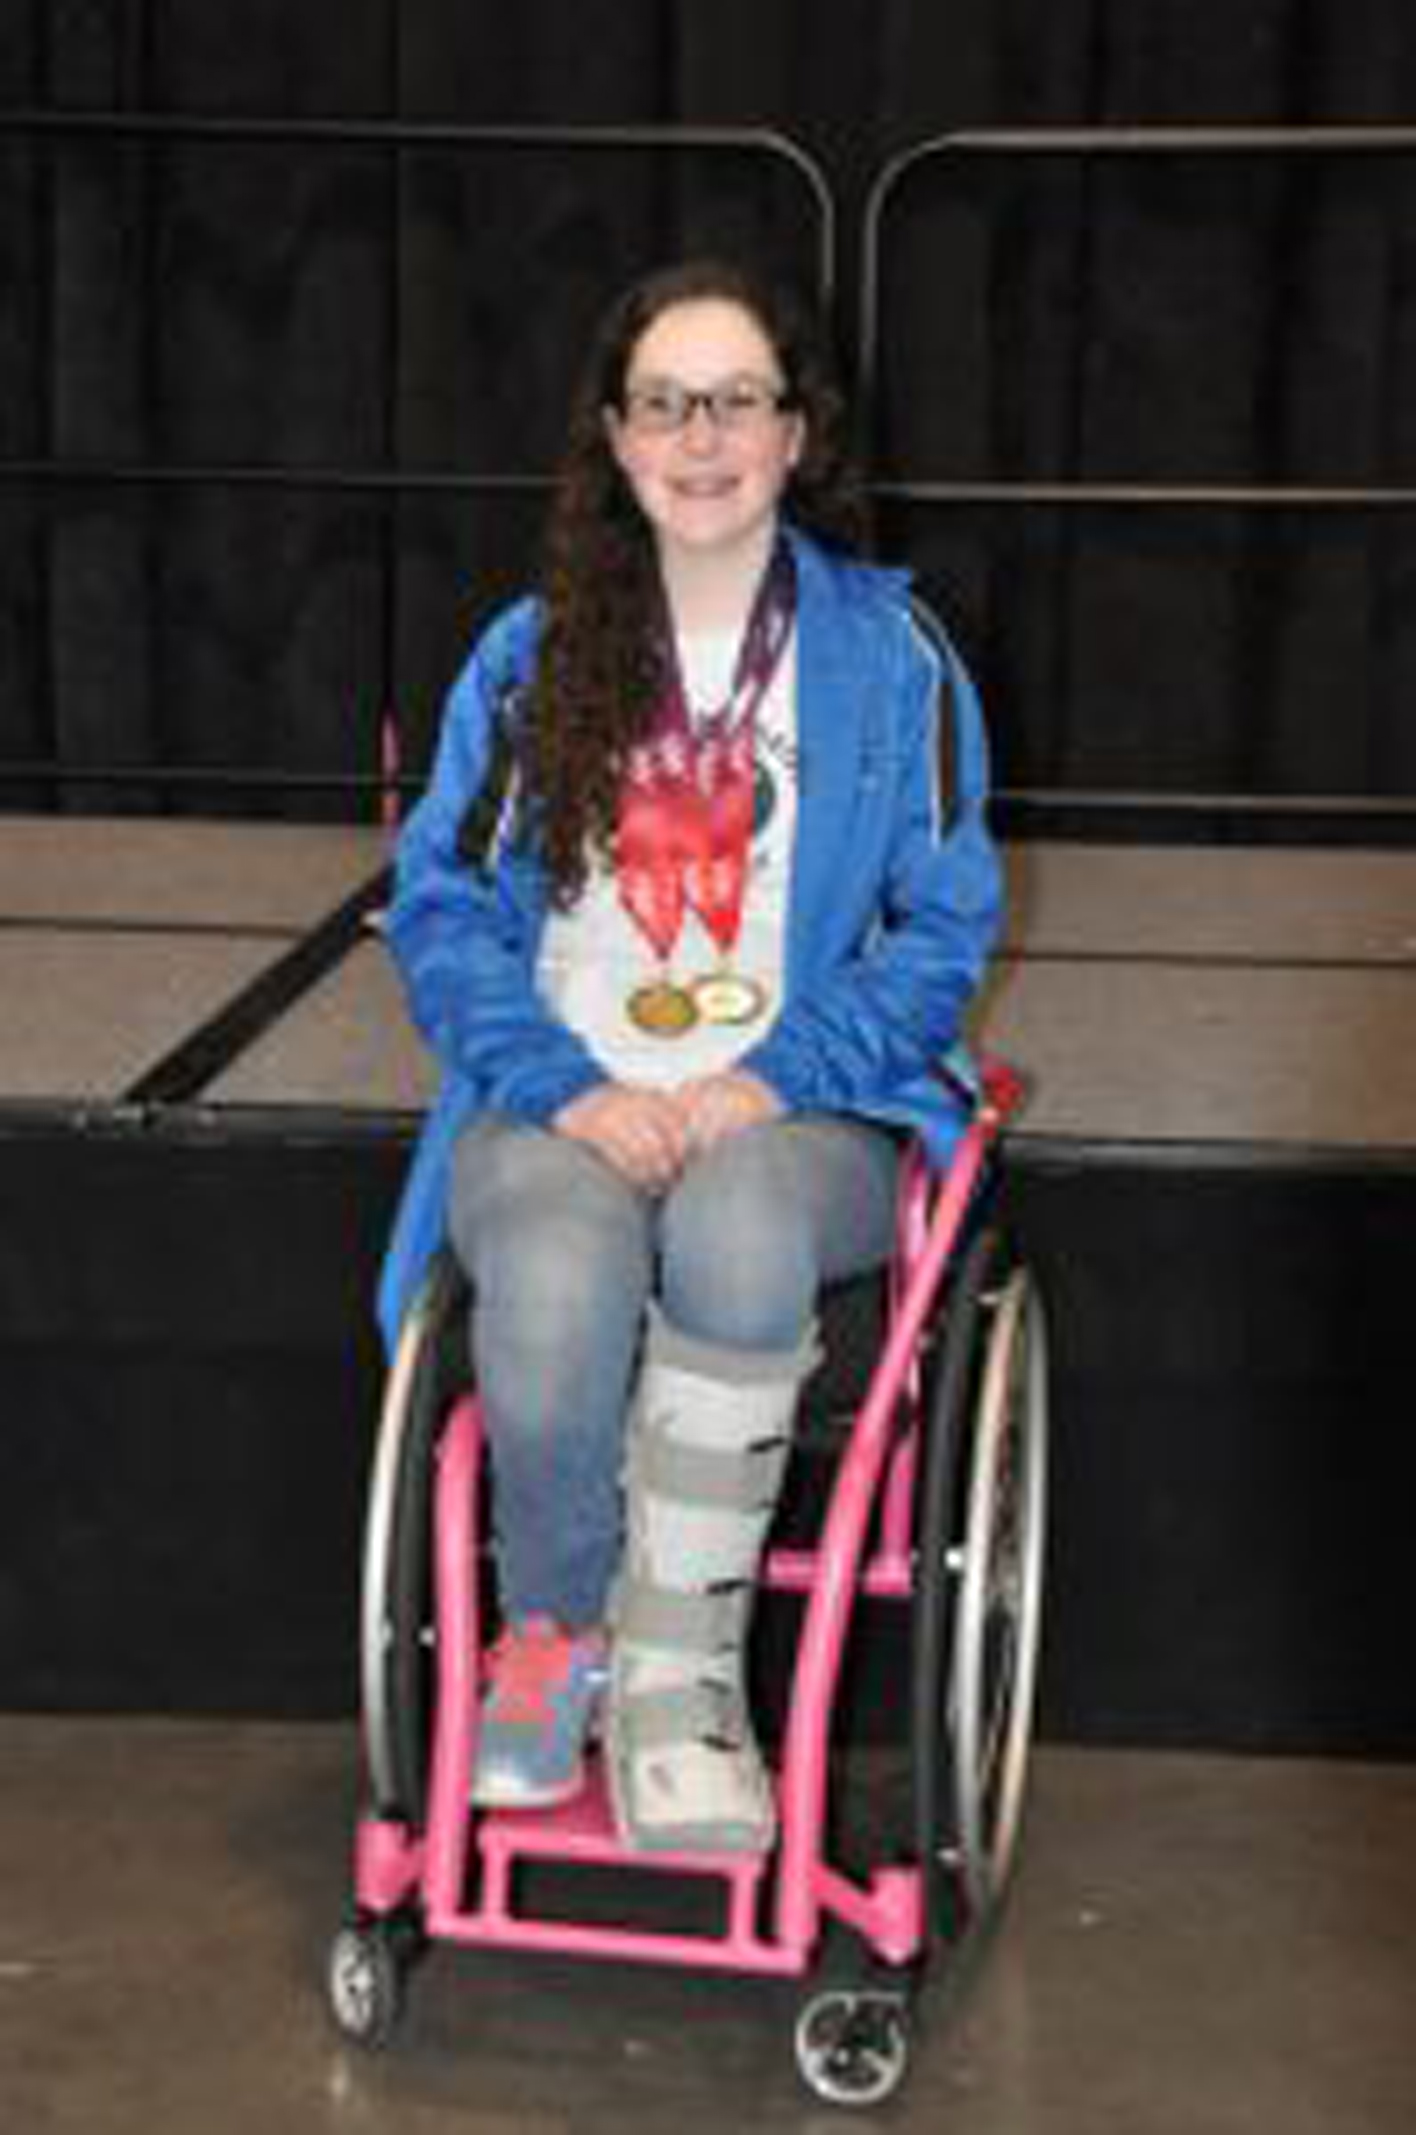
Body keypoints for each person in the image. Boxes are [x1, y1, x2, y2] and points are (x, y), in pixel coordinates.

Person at [377, 258, 1002, 1855]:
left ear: (797, 433)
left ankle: (679, 1683)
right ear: (616, 437)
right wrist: (567, 1088)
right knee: (556, 1256)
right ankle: (554, 1637)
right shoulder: (530, 658)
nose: (701, 436)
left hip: (801, 1107)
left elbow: (941, 931)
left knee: (736, 1222)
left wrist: (764, 1082)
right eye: (664, 403)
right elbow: (439, 909)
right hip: (560, 1098)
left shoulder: (892, 657)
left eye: (737, 401)